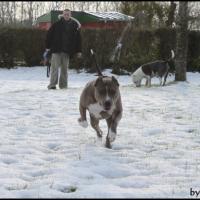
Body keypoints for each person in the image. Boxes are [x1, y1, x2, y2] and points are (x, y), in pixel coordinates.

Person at [45, 9, 82, 90]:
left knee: (64, 70)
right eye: (65, 14)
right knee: (54, 68)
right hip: (56, 50)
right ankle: (52, 85)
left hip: (67, 51)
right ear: (62, 15)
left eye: (68, 14)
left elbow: (78, 40)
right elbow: (49, 35)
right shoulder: (56, 24)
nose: (66, 16)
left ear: (70, 15)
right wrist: (47, 47)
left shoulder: (74, 26)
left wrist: (79, 51)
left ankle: (63, 86)